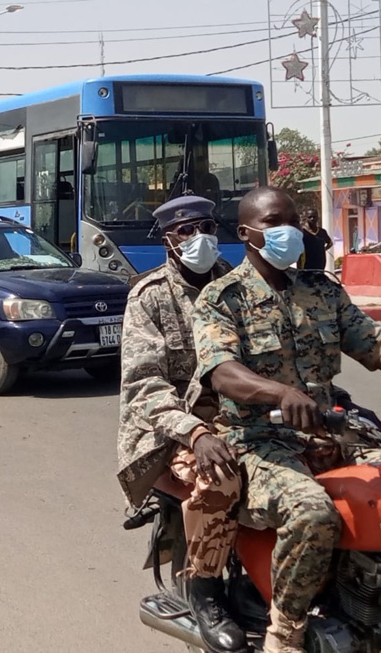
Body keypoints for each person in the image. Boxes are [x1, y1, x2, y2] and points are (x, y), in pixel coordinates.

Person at [191, 186, 381, 653]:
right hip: (259, 438)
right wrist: (279, 391)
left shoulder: (321, 290)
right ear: (245, 233)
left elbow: (380, 347)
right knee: (313, 513)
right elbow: (222, 372)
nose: (290, 231)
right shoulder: (223, 298)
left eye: (295, 220)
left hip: (333, 430)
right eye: (276, 222)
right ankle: (288, 630)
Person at [117, 195, 246, 653]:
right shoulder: (150, 296)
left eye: (205, 227)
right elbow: (144, 386)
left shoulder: (237, 286)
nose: (197, 239)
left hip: (238, 420)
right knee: (217, 483)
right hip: (164, 432)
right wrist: (194, 431)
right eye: (185, 232)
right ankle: (205, 594)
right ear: (168, 241)